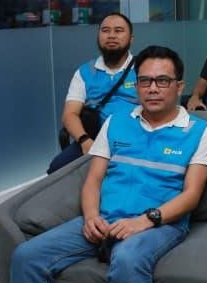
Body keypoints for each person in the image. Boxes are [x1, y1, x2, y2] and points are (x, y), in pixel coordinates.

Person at [10, 45, 207, 283]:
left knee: (127, 258)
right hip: (105, 218)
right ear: (136, 86)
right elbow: (93, 180)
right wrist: (91, 217)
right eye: (145, 81)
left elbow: (191, 195)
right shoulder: (116, 122)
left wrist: (144, 220)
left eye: (163, 81)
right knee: (27, 256)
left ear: (178, 86)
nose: (153, 88)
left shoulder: (199, 131)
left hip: (160, 224)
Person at [48, 12, 139, 174]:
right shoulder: (84, 72)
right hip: (95, 140)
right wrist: (85, 141)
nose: (111, 35)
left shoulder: (143, 69)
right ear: (98, 37)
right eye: (105, 30)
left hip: (136, 138)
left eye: (118, 31)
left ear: (131, 39)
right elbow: (69, 115)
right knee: (57, 169)